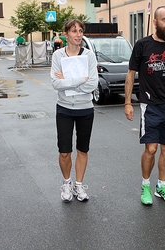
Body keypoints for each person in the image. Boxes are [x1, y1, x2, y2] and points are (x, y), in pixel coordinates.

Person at [124, 5, 165, 205]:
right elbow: (130, 75)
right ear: (155, 22)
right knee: (151, 149)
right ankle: (145, 185)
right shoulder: (143, 45)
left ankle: (161, 186)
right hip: (149, 106)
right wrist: (128, 102)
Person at [50, 19, 98, 202]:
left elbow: (92, 83)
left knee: (82, 150)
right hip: (64, 109)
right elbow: (55, 83)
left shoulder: (89, 56)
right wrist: (80, 80)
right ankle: (66, 183)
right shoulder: (58, 56)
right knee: (64, 151)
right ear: (66, 34)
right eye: (74, 31)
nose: (78, 34)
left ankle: (79, 185)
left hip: (85, 109)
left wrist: (68, 82)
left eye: (80, 31)